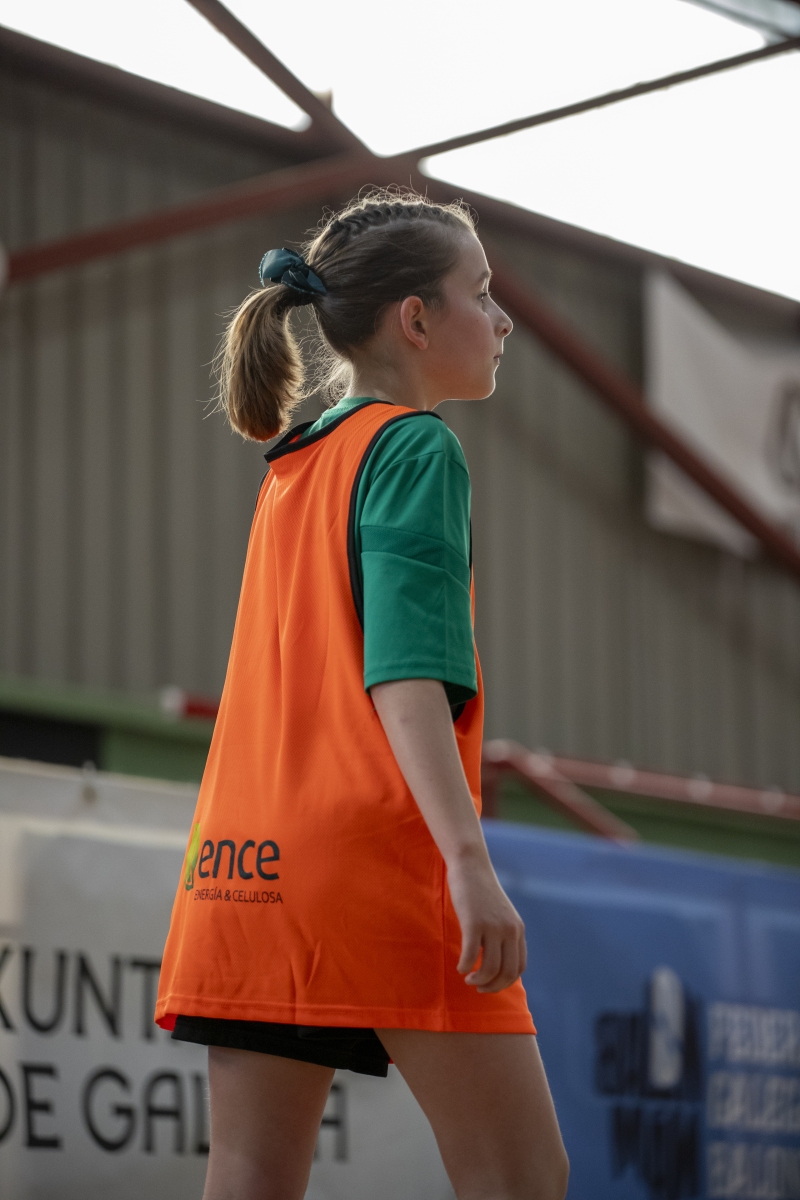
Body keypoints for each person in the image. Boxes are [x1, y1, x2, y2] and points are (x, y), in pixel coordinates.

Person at [155, 191, 568, 1200]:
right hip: (373, 869)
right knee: (523, 1178)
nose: (502, 319)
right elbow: (403, 674)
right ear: (415, 320)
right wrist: (466, 861)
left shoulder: (293, 466)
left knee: (249, 1176)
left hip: (240, 874)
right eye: (481, 292)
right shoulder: (416, 446)